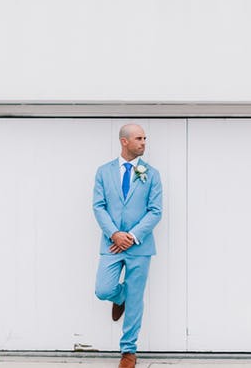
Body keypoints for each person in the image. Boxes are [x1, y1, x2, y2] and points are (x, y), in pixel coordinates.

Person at [93, 123, 163, 368]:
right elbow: (98, 206)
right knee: (103, 289)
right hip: (111, 245)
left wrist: (131, 236)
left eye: (145, 138)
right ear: (124, 141)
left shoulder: (151, 174)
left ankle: (128, 352)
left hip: (139, 247)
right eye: (138, 138)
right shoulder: (103, 172)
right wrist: (114, 234)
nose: (144, 142)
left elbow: (155, 211)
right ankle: (119, 296)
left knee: (136, 299)